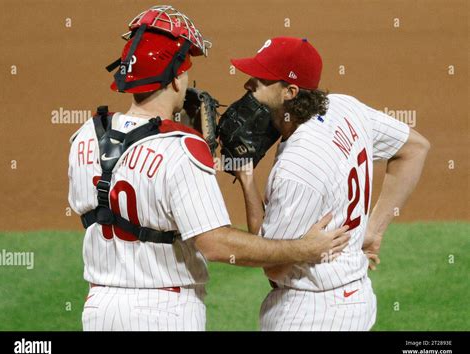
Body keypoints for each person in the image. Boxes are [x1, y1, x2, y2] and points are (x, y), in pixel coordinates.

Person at [67, 7, 350, 331]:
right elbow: (216, 243)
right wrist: (303, 248)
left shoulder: (84, 137)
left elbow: (116, 204)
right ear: (175, 78)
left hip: (99, 310)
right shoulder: (182, 148)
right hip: (163, 313)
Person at [230, 36, 430, 331]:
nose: (248, 85)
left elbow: (272, 265)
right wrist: (373, 231)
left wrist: (246, 178)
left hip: (310, 314)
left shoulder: (296, 167)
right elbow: (415, 147)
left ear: (290, 91)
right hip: (356, 298)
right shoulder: (345, 108)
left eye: (259, 80)